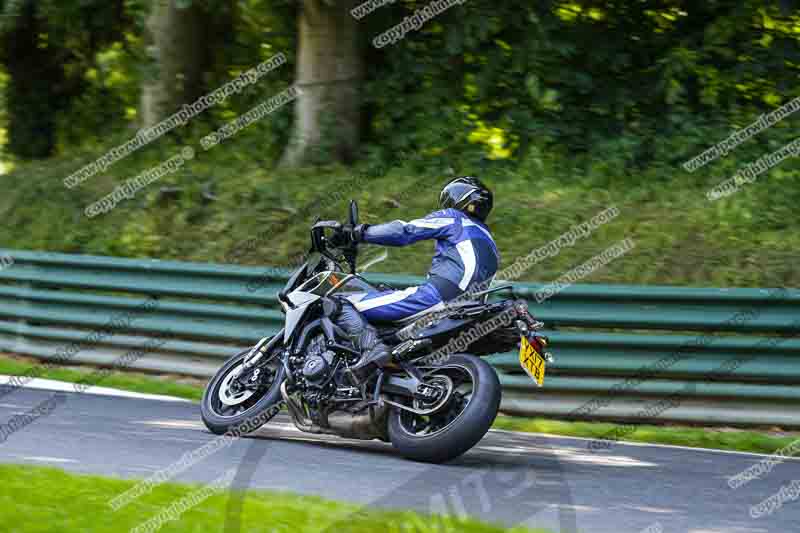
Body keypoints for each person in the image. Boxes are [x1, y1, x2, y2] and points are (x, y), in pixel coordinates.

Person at [330, 176, 499, 382]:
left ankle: (372, 349)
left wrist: (359, 232)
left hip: (437, 297)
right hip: (469, 306)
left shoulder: (454, 218)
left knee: (341, 302)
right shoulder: (490, 241)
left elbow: (404, 231)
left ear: (455, 200)